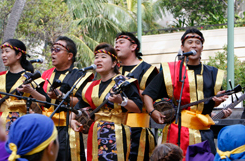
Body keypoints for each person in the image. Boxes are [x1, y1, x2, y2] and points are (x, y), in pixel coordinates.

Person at [143, 28, 228, 156]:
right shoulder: (170, 70)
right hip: (176, 130)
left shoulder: (214, 73)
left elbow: (211, 103)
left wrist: (217, 103)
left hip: (203, 131)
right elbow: (148, 94)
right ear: (182, 47)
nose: (194, 45)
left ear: (202, 48)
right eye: (190, 42)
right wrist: (152, 111)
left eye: (197, 43)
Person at [0, 39, 50, 160]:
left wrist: (31, 91)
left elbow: (47, 101)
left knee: (18, 154)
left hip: (22, 121)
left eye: (7, 51)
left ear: (18, 55)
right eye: (2, 52)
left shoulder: (31, 78)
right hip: (0, 121)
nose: (3, 55)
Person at [70, 43, 143, 161]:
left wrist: (122, 101)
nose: (98, 60)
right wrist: (72, 120)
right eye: (96, 57)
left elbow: (138, 107)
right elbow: (79, 106)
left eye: (103, 57)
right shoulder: (90, 86)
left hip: (117, 131)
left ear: (114, 63)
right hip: (95, 131)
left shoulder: (124, 82)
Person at [41, 36, 93, 161]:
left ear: (70, 56)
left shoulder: (79, 75)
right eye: (52, 49)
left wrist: (61, 97)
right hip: (46, 126)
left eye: (57, 50)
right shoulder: (45, 74)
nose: (53, 52)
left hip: (68, 126)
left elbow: (82, 101)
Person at [115, 31, 158, 160]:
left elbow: (155, 100)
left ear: (133, 47)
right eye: (116, 43)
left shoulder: (149, 70)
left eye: (121, 42)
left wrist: (131, 92)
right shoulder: (112, 69)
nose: (117, 45)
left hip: (138, 128)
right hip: (114, 127)